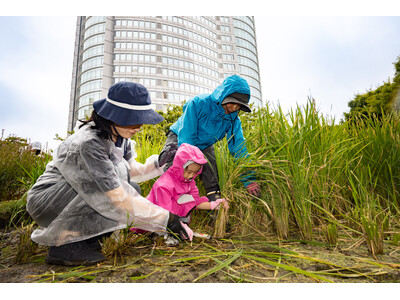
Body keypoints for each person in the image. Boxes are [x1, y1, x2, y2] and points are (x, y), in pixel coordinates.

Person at [26, 81, 191, 266]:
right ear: (113, 115)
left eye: (141, 120)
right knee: (114, 191)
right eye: (133, 120)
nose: (138, 127)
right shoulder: (89, 143)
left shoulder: (120, 137)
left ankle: (86, 239)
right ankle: (63, 245)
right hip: (48, 199)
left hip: (76, 195)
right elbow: (116, 196)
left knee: (131, 185)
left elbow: (129, 172)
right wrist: (166, 219)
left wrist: (158, 163)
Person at [158, 75, 261, 203]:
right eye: (232, 102)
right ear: (224, 95)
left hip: (205, 144)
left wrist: (249, 179)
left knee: (211, 169)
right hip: (181, 136)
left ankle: (215, 203)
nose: (234, 108)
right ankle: (168, 198)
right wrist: (189, 161)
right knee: (176, 163)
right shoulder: (198, 103)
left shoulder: (234, 120)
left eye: (239, 105)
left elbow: (239, 149)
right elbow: (187, 136)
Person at [147, 143, 229, 223]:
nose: (191, 176)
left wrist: (214, 204)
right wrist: (175, 227)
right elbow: (164, 212)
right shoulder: (164, 185)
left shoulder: (190, 182)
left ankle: (179, 226)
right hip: (151, 221)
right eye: (189, 172)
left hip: (172, 220)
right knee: (183, 198)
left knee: (188, 198)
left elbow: (196, 202)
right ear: (180, 166)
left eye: (195, 172)